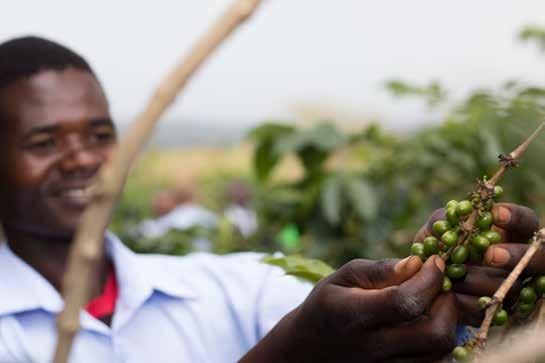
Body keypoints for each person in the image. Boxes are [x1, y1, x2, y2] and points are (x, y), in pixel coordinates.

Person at [0, 36, 541, 363]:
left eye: (99, 135)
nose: (82, 159)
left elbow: (362, 325)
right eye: (43, 142)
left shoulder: (231, 290)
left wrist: (440, 284)